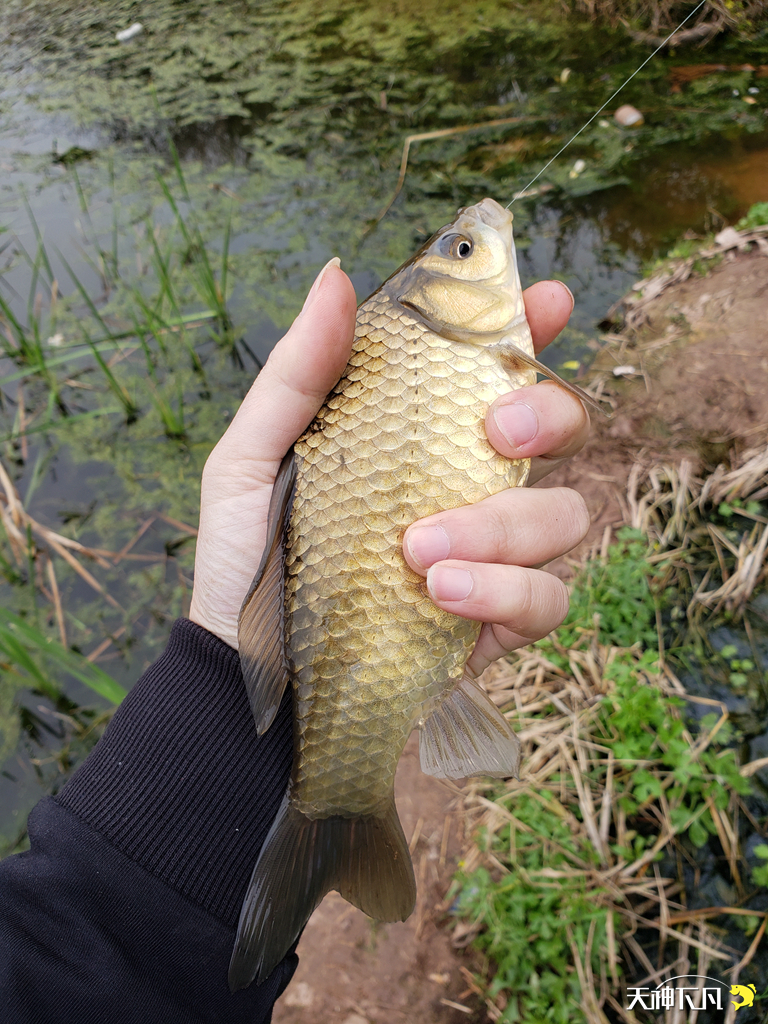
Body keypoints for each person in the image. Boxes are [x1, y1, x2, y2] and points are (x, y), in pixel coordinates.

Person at [0, 261, 589, 1023]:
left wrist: (231, 692)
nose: (482, 249)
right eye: (466, 249)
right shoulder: (415, 337)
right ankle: (338, 807)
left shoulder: (422, 341)